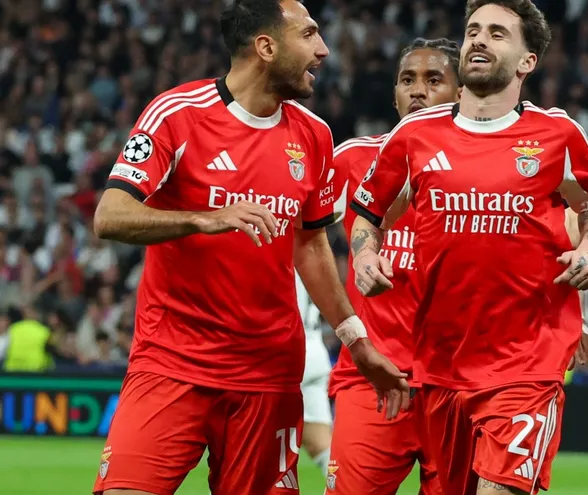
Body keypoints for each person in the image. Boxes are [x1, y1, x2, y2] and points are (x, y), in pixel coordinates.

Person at [89, 1, 407, 494]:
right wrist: (204, 217)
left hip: (269, 375)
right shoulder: (178, 114)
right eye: (309, 35)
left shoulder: (314, 135)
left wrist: (356, 341)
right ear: (266, 46)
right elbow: (109, 216)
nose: (323, 50)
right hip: (173, 363)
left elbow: (311, 246)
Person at [348, 1, 588, 494]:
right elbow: (367, 212)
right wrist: (365, 254)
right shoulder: (415, 135)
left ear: (527, 60)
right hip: (443, 365)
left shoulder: (558, 135)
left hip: (527, 364)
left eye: (497, 33)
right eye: (473, 31)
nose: (478, 40)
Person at [326, 37, 462, 495]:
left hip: (456, 383)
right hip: (371, 379)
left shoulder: (487, 171)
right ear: (394, 94)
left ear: (462, 93)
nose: (418, 90)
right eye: (408, 80)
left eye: (433, 80)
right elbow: (300, 232)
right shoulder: (350, 160)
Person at [295, 271, 333, 476]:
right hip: (315, 351)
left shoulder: (274, 252)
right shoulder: (308, 249)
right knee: (321, 444)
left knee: (246, 445)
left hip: (287, 352)